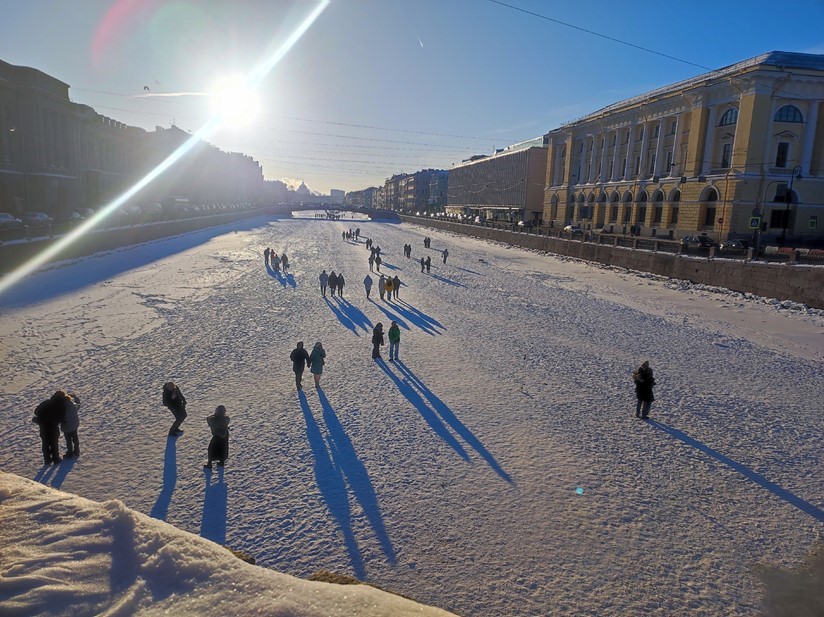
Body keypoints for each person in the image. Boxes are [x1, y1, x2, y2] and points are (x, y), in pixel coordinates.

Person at [32, 391, 65, 465]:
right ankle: (55, 458)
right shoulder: (60, 406)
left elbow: (36, 411)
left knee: (45, 444)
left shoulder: (46, 402)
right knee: (54, 444)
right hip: (53, 428)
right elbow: (62, 418)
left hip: (43, 427)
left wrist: (43, 418)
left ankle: (47, 459)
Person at [205, 405, 230, 469]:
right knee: (223, 448)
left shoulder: (213, 420)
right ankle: (221, 462)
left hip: (217, 435)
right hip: (224, 436)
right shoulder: (226, 419)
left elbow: (208, 419)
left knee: (211, 449)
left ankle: (209, 464)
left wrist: (214, 415)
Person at [60, 391, 81, 458]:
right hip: (74, 425)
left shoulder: (61, 408)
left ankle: (70, 453)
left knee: (68, 440)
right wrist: (75, 397)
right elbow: (78, 404)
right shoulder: (73, 405)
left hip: (67, 428)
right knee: (75, 438)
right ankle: (77, 451)